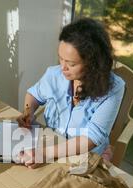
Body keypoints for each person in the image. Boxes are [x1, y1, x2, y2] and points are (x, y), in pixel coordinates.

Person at [16, 18, 125, 169]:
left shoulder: (114, 89)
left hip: (86, 156)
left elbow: (91, 138)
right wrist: (28, 111)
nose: (63, 68)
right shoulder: (54, 74)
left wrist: (46, 153)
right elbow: (34, 95)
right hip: (51, 144)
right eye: (61, 59)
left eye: (71, 64)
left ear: (93, 63)